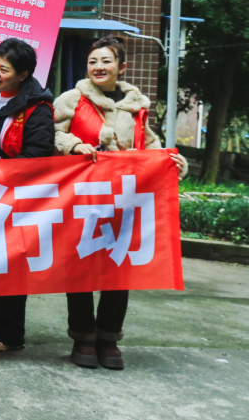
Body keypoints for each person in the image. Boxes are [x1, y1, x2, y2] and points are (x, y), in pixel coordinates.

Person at [53, 36, 187, 370]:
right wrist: (73, 145)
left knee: (119, 268)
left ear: (121, 67)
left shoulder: (135, 105)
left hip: (124, 201)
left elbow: (149, 145)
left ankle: (109, 337)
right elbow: (50, 133)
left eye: (106, 61)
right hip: (82, 199)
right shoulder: (71, 99)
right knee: (81, 267)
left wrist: (170, 161)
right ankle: (83, 337)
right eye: (93, 61)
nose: (98, 67)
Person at [0, 38, 54, 353]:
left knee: (10, 266)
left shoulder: (37, 107)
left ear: (23, 74)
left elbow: (38, 155)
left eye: (3, 70)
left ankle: (10, 333)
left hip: (15, 198)